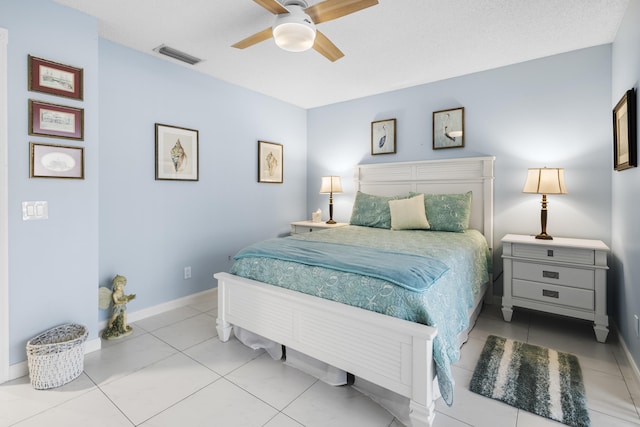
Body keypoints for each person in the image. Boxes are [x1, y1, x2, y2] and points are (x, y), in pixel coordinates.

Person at [102, 275, 136, 339]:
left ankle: (124, 327)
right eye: (120, 286)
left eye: (123, 286)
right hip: (117, 306)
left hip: (122, 305)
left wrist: (127, 298)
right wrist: (122, 302)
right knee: (115, 316)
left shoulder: (122, 291)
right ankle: (110, 323)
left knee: (125, 315)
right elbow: (116, 301)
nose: (121, 287)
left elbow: (123, 296)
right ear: (115, 285)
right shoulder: (114, 294)